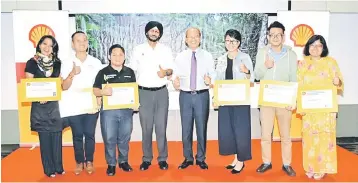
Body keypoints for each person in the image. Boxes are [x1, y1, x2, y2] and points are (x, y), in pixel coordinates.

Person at [129, 21, 174, 171]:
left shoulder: (166, 50)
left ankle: (162, 159)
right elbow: (131, 71)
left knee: (161, 128)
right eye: (152, 30)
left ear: (160, 34)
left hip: (161, 92)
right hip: (144, 93)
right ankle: (146, 159)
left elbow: (170, 70)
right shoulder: (138, 49)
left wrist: (165, 73)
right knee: (146, 129)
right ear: (147, 32)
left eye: (157, 31)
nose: (154, 33)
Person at [254, 21, 297, 176]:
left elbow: (294, 79)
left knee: (286, 135)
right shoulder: (262, 53)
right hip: (266, 100)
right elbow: (257, 75)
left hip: (285, 101)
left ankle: (287, 164)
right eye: (272, 35)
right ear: (268, 36)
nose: (275, 37)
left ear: (283, 37)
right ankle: (267, 162)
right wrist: (265, 65)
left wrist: (293, 101)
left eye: (278, 35)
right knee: (266, 134)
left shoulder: (291, 55)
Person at [297, 35, 343, 180]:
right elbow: (298, 85)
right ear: (308, 47)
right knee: (309, 138)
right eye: (312, 45)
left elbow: (339, 83)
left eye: (319, 45)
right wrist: (299, 104)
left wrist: (337, 81)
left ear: (323, 48)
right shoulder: (302, 64)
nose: (315, 48)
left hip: (325, 109)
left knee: (324, 138)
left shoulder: (331, 62)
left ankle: (321, 168)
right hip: (309, 109)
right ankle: (311, 167)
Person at [173, 27, 215, 170]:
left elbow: (213, 75)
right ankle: (188, 158)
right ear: (185, 39)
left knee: (201, 128)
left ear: (200, 38)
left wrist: (211, 79)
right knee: (186, 129)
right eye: (190, 37)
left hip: (202, 95)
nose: (193, 39)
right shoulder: (180, 57)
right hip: (185, 96)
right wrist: (175, 81)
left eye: (196, 36)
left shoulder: (208, 56)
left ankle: (201, 158)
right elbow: (175, 76)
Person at [61, 31, 103, 175]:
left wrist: (99, 99)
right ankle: (79, 161)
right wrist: (72, 73)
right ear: (73, 44)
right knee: (77, 134)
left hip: (91, 102)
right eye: (78, 40)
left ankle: (89, 160)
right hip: (73, 103)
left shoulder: (96, 62)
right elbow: (63, 86)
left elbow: (100, 84)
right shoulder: (66, 62)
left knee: (89, 134)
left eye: (84, 40)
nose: (82, 43)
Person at [93, 44, 137, 176]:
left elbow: (134, 91)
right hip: (108, 112)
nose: (117, 57)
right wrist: (102, 92)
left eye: (120, 54)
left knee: (124, 137)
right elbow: (95, 90)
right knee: (110, 138)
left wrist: (135, 103)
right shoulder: (103, 72)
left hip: (126, 111)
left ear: (124, 57)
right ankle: (111, 164)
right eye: (114, 54)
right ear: (109, 56)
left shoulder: (130, 72)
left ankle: (123, 161)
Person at [213, 29, 253, 174]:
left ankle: (241, 161)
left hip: (241, 100)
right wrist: (215, 98)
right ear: (225, 42)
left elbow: (252, 79)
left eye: (234, 41)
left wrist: (247, 72)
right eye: (228, 41)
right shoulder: (222, 58)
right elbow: (217, 80)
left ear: (239, 43)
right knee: (229, 130)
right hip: (225, 99)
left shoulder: (245, 57)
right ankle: (236, 158)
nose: (231, 44)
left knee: (241, 130)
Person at [24, 35, 64, 177]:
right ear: (39, 45)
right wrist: (38, 97)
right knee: (45, 137)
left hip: (54, 105)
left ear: (54, 48)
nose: (47, 47)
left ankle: (59, 167)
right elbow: (28, 85)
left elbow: (58, 83)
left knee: (57, 135)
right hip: (39, 106)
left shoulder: (57, 63)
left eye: (51, 45)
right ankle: (49, 170)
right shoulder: (32, 63)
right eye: (44, 44)